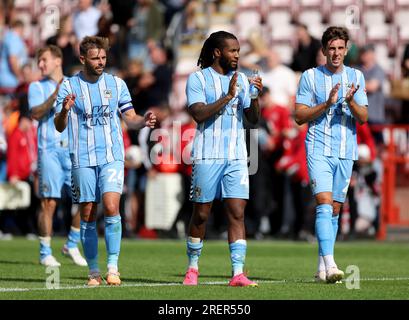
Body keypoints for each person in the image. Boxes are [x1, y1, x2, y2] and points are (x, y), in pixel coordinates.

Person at [54, 36, 156, 286]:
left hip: (111, 155)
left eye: (103, 57)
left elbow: (129, 116)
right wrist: (65, 110)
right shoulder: (69, 86)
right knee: (88, 212)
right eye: (95, 58)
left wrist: (143, 120)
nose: (101, 62)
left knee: (111, 207)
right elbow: (58, 126)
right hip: (82, 158)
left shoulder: (116, 84)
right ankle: (93, 271)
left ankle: (113, 267)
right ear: (82, 59)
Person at [182, 31, 262, 287]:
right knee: (202, 214)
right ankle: (193, 268)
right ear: (218, 53)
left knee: (237, 213)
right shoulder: (198, 79)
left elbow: (253, 119)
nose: (237, 55)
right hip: (207, 154)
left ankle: (238, 273)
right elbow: (198, 114)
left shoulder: (241, 80)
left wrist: (255, 95)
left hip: (237, 155)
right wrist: (228, 96)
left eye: (238, 50)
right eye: (232, 51)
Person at [295, 26, 368, 283]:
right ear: (324, 50)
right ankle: (332, 264)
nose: (336, 53)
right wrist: (326, 104)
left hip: (345, 151)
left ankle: (321, 268)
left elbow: (364, 117)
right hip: (318, 148)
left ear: (346, 50)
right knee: (324, 205)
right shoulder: (310, 77)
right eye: (332, 48)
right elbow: (299, 116)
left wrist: (349, 102)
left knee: (335, 209)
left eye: (340, 48)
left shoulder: (356, 76)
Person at [28, 45, 88, 267]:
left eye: (43, 59)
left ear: (57, 60)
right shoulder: (36, 86)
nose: (40, 65)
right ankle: (45, 252)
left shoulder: (75, 84)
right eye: (38, 61)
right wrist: (56, 94)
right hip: (50, 150)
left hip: (73, 150)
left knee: (87, 200)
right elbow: (35, 112)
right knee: (49, 202)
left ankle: (71, 244)